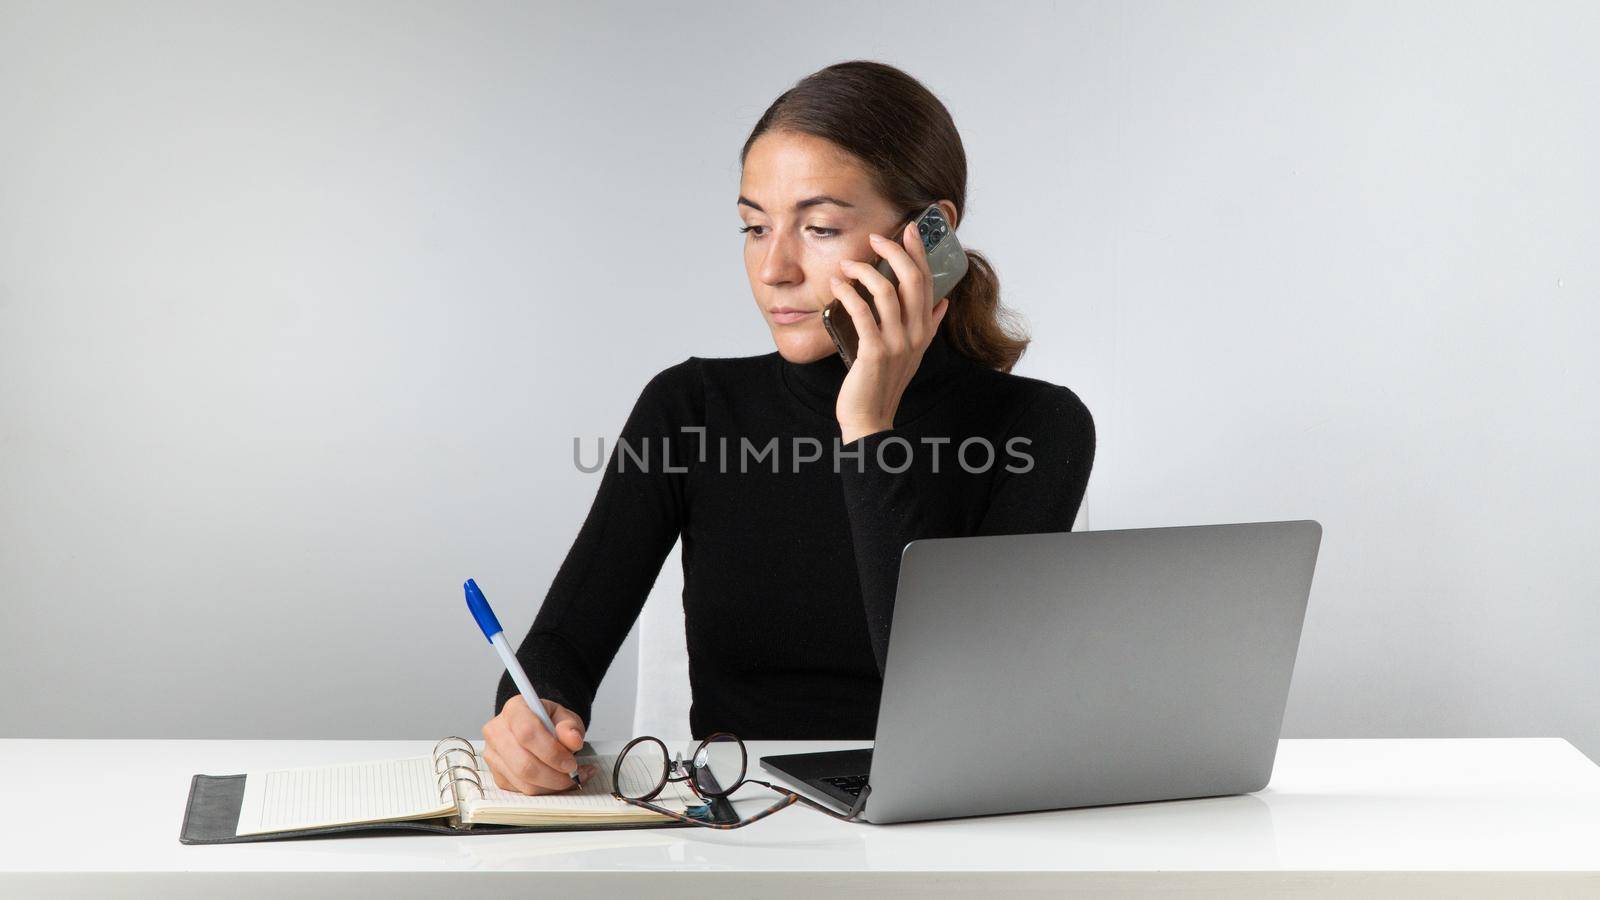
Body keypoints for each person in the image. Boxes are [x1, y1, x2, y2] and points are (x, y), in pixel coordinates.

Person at [480, 60, 1096, 795]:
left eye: (820, 227)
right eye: (753, 226)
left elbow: (950, 704)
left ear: (931, 234)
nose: (773, 268)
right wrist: (532, 711)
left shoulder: (1039, 428)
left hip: (937, 828)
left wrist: (867, 425)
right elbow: (562, 644)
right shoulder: (691, 408)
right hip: (736, 826)